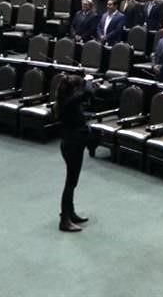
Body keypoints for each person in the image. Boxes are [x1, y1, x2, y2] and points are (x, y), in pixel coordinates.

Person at [55, 75, 93, 232]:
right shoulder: (70, 102)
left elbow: (85, 95)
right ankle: (65, 220)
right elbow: (88, 92)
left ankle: (70, 213)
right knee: (70, 183)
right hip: (72, 145)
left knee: (72, 182)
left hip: (71, 144)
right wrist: (88, 82)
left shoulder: (66, 100)